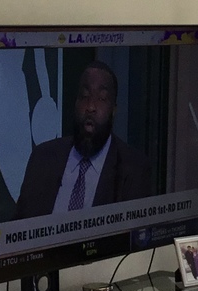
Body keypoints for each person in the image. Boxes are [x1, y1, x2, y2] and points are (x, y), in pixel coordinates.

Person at [14, 61, 153, 218]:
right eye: (84, 96)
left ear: (114, 110)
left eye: (101, 98)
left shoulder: (133, 169)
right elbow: (20, 226)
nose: (90, 107)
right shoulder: (42, 157)